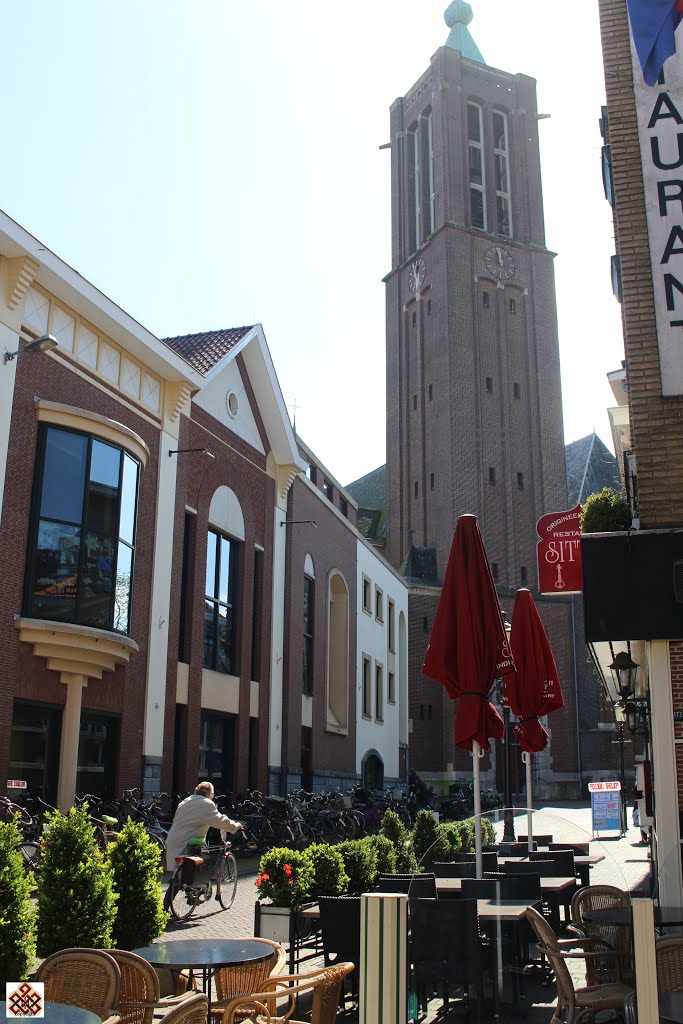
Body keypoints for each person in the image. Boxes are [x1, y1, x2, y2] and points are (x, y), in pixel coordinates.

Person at [165, 781, 243, 872]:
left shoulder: (185, 802)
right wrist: (235, 826)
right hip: (187, 845)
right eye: (212, 795)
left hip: (173, 842)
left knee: (181, 878)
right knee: (197, 874)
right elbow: (220, 821)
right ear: (209, 794)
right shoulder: (206, 803)